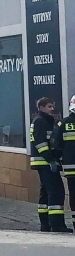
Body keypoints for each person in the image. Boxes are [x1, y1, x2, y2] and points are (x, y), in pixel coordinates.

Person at [30, 97, 71, 233]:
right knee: (56, 191)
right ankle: (57, 224)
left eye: (52, 106)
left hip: (44, 162)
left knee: (46, 193)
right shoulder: (41, 122)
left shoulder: (44, 121)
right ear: (41, 107)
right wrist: (50, 159)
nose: (52, 109)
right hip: (45, 162)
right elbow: (40, 143)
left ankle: (45, 224)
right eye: (49, 106)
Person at [52, 94, 75, 226]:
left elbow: (55, 145)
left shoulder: (62, 123)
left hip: (70, 167)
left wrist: (61, 159)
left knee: (73, 194)